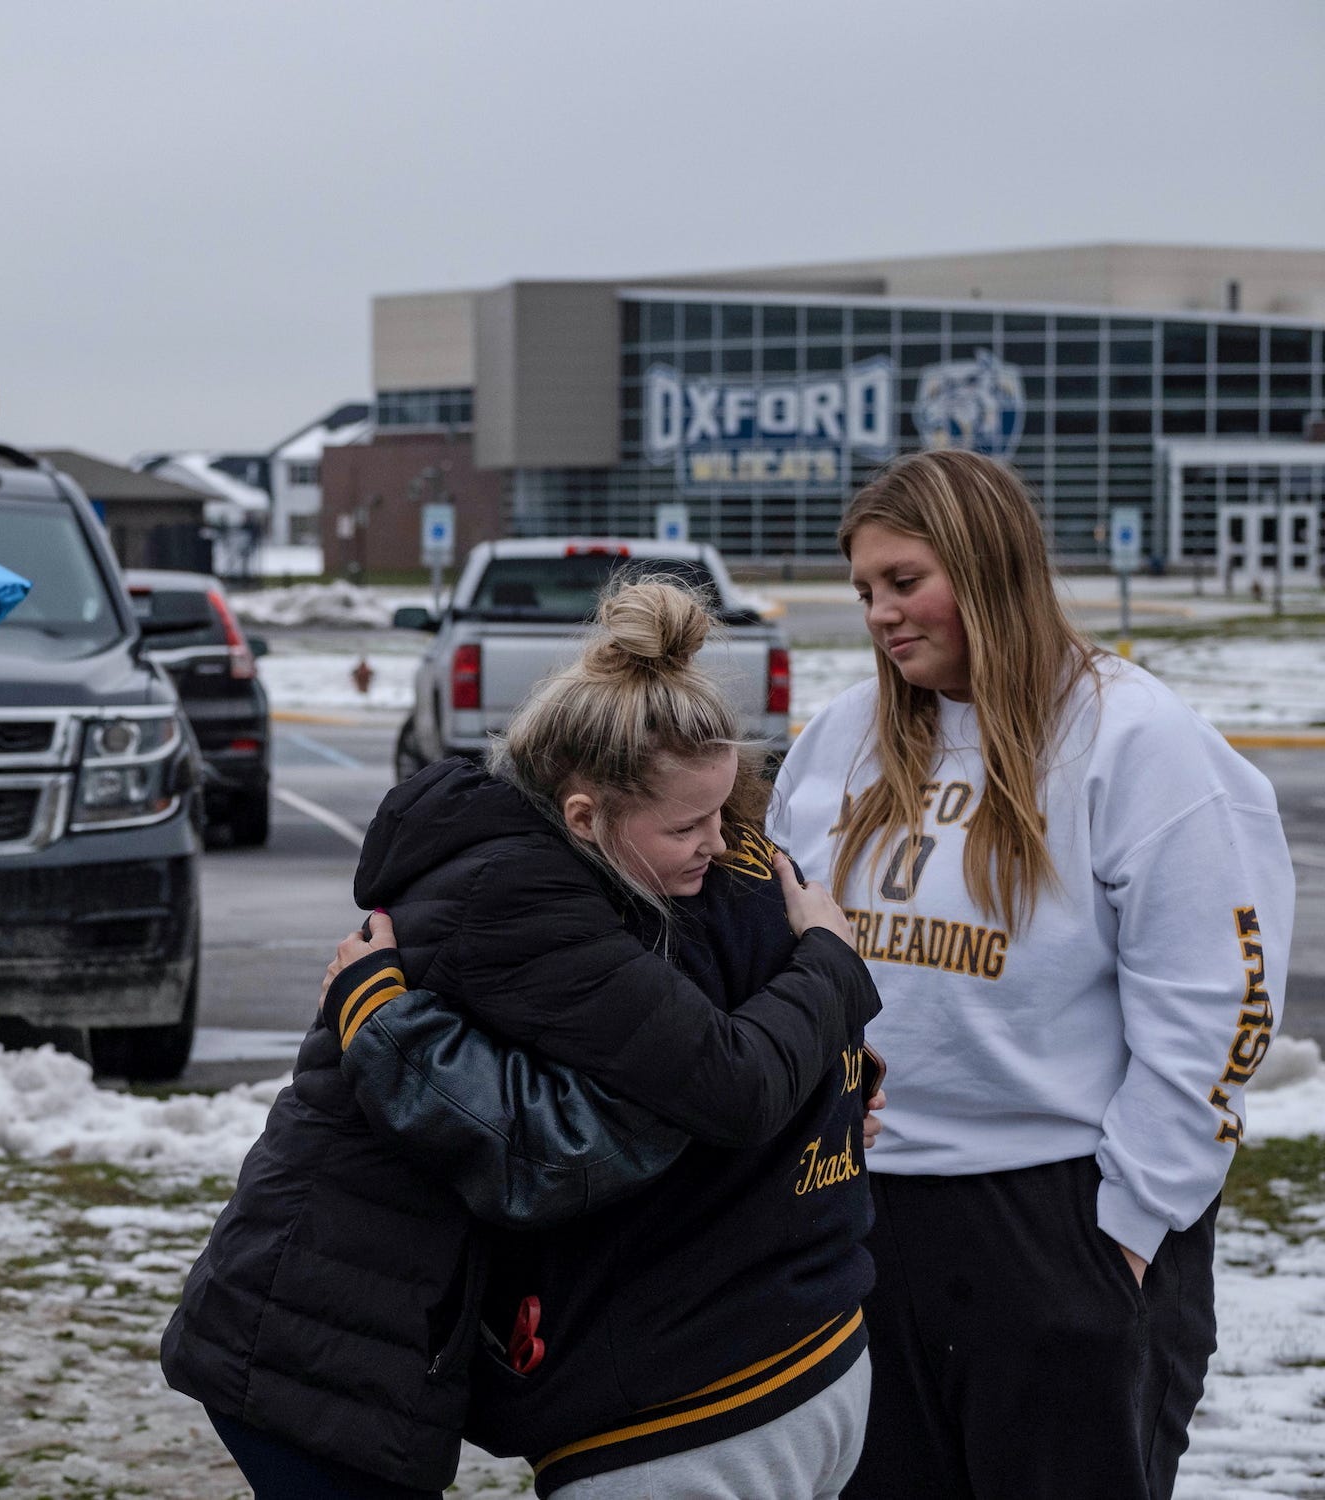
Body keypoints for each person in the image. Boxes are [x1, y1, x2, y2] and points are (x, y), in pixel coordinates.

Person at [162, 579, 880, 1498]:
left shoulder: (581, 874)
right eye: (687, 826)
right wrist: (828, 967)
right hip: (321, 1334)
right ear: (585, 816)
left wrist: (833, 1077)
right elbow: (710, 1089)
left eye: (722, 816)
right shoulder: (524, 901)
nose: (718, 843)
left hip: (372, 1320)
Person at [769, 448, 1296, 1499]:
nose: (878, 613)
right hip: (865, 1217)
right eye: (863, 589)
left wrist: (1125, 1236)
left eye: (904, 581)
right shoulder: (840, 741)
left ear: (988, 565)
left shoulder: (1134, 742)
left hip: (1060, 1217)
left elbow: (1214, 1011)